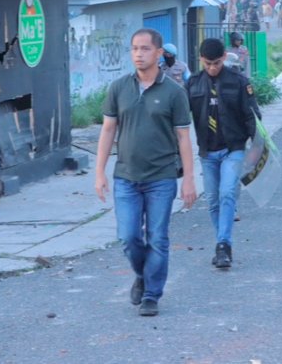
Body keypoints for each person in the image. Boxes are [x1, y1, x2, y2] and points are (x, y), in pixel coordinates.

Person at [95, 28, 197, 317]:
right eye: (134, 49)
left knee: (158, 237)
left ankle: (152, 294)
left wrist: (189, 178)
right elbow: (107, 130)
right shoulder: (118, 88)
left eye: (145, 49)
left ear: (159, 53)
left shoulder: (174, 93)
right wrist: (99, 172)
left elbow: (183, 138)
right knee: (128, 236)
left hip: (161, 177)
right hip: (126, 176)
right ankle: (142, 274)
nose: (138, 54)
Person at [186, 38, 260, 268]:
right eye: (208, 63)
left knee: (227, 192)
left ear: (224, 58)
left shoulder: (239, 82)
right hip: (207, 152)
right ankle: (222, 243)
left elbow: (253, 116)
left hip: (233, 149)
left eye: (216, 63)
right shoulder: (193, 84)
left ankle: (223, 245)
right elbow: (179, 118)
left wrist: (256, 149)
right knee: (212, 200)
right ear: (201, 60)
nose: (212, 68)